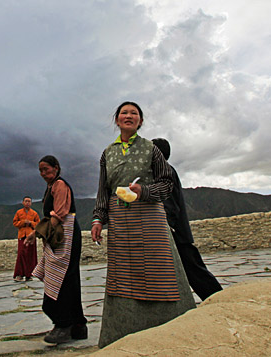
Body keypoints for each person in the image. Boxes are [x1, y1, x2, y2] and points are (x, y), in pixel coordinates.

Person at [91, 102, 196, 348]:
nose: (129, 116)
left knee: (160, 271)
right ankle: (121, 336)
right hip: (120, 221)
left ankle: (173, 333)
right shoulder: (108, 153)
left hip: (150, 218)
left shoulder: (151, 149)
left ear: (140, 121)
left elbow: (167, 184)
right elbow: (103, 191)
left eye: (134, 113)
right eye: (124, 113)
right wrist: (98, 219)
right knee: (123, 276)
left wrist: (144, 191)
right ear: (116, 120)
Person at [152, 138, 223, 301]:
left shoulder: (164, 172)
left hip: (176, 233)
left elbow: (169, 203)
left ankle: (218, 299)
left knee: (194, 270)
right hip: (178, 232)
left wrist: (167, 226)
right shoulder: (166, 170)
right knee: (193, 269)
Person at [26, 155, 87, 345]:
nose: (44, 174)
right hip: (61, 235)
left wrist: (37, 233)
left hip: (65, 235)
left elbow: (59, 214)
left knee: (63, 278)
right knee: (68, 277)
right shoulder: (51, 187)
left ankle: (64, 324)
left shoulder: (60, 185)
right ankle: (77, 325)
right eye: (41, 171)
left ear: (56, 168)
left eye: (46, 169)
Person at [12, 196, 40, 281]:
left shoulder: (34, 213)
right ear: (23, 202)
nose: (27, 203)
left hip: (31, 236)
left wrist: (31, 223)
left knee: (30, 255)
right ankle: (20, 274)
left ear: (31, 203)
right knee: (21, 254)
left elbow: (38, 224)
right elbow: (15, 223)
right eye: (26, 201)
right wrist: (23, 222)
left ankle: (29, 275)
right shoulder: (19, 212)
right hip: (22, 236)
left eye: (29, 201)